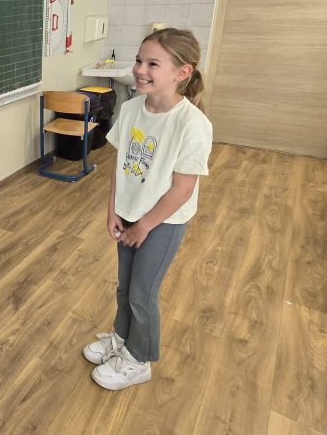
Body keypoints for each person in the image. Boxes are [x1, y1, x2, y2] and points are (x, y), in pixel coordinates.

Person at [82, 28, 213, 390]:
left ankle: (139, 359)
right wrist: (113, 210)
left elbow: (183, 189)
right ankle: (122, 338)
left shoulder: (192, 124)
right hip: (128, 214)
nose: (140, 69)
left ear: (182, 73)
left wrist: (144, 225)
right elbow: (119, 165)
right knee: (124, 287)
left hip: (162, 223)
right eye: (139, 60)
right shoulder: (130, 110)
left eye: (153, 63)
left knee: (142, 293)